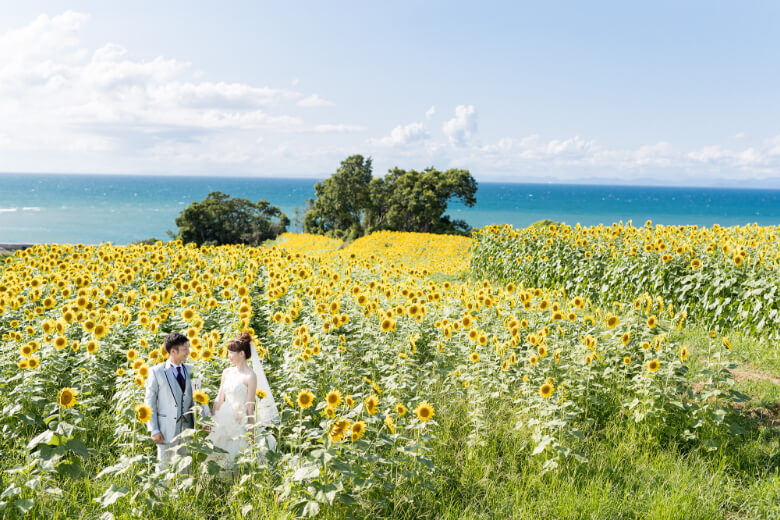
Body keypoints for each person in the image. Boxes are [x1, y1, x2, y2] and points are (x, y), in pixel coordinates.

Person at [207, 331, 279, 470]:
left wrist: (251, 432)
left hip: (241, 420)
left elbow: (250, 405)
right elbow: (219, 398)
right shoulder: (227, 372)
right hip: (224, 417)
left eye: (231, 353)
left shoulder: (250, 376)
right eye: (228, 352)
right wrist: (212, 419)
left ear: (241, 354)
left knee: (239, 454)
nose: (229, 356)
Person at [144, 332, 206, 471]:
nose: (188, 352)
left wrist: (204, 420)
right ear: (173, 351)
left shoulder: (192, 370)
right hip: (165, 429)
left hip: (188, 428)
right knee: (163, 467)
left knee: (186, 468)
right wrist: (154, 429)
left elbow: (200, 396)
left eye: (188, 348)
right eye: (185, 349)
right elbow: (149, 402)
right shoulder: (156, 372)